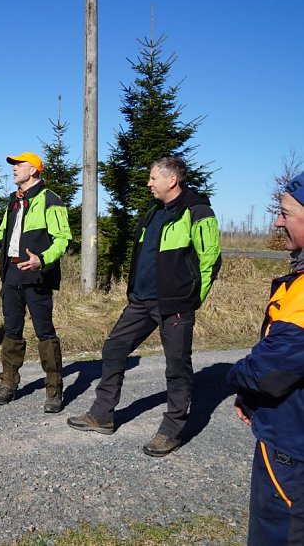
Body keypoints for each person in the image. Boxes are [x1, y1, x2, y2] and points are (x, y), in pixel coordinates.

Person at [68, 156, 222, 456]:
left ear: (171, 180)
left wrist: (192, 299)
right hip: (141, 301)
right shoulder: (154, 212)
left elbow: (210, 260)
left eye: (153, 178)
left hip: (175, 303)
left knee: (177, 367)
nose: (149, 183)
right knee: (114, 348)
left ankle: (172, 430)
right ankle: (102, 415)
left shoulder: (197, 211)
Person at [227, 172, 304, 545]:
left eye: (285, 213)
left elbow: (269, 369)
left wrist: (238, 379)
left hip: (292, 446)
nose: (277, 221)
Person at [0, 152, 72, 413]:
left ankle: (54, 390)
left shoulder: (51, 200)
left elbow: (63, 238)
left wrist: (42, 260)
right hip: (11, 274)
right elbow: (4, 233)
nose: (13, 169)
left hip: (36, 274)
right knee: (12, 330)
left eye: (19, 165)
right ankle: (8, 385)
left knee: (44, 332)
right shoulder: (14, 200)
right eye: (13, 165)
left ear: (33, 170)